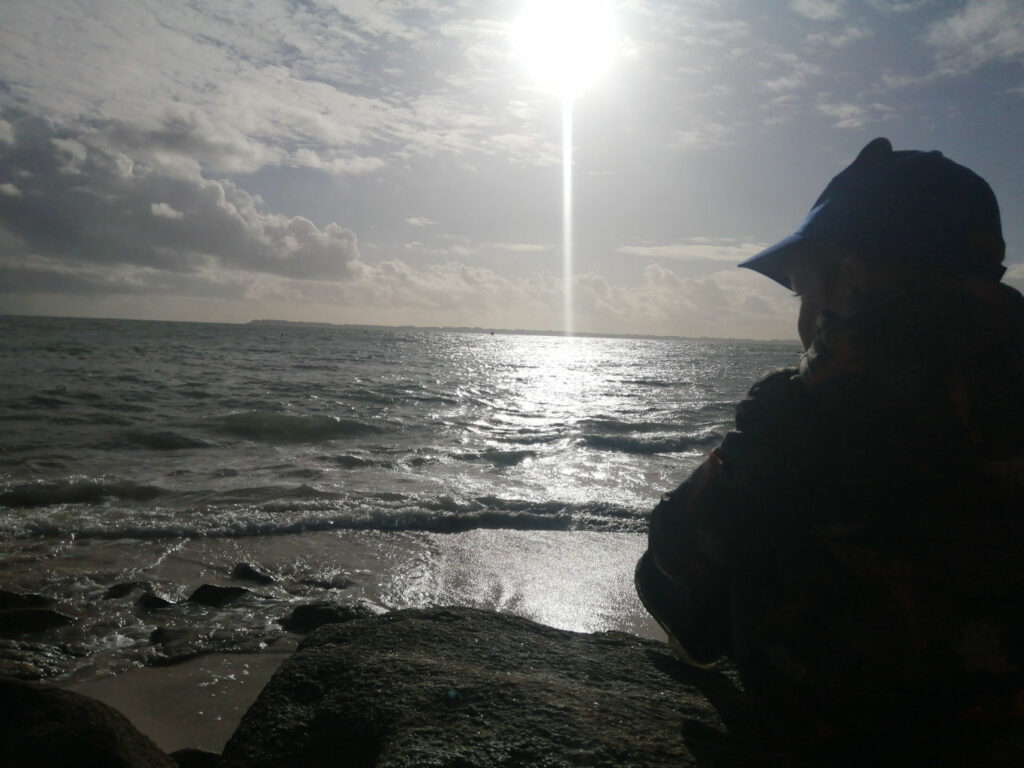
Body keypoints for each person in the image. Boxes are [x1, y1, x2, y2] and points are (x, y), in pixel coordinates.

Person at [635, 137, 1024, 752]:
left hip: (860, 730)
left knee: (675, 568)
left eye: (800, 291)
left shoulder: (807, 408)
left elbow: (679, 548)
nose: (800, 317)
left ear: (848, 277)